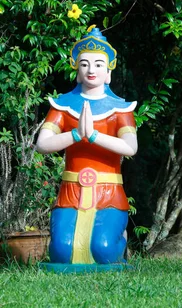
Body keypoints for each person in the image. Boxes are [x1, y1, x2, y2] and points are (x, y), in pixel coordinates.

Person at [36, 26, 137, 266]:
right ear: (78, 72)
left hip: (108, 193)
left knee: (103, 250)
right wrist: (75, 134)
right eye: (84, 64)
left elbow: (130, 147)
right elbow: (42, 144)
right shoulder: (62, 106)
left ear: (108, 72)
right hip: (72, 192)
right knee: (62, 250)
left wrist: (93, 136)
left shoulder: (120, 109)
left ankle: (120, 241)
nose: (91, 70)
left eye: (98, 64)